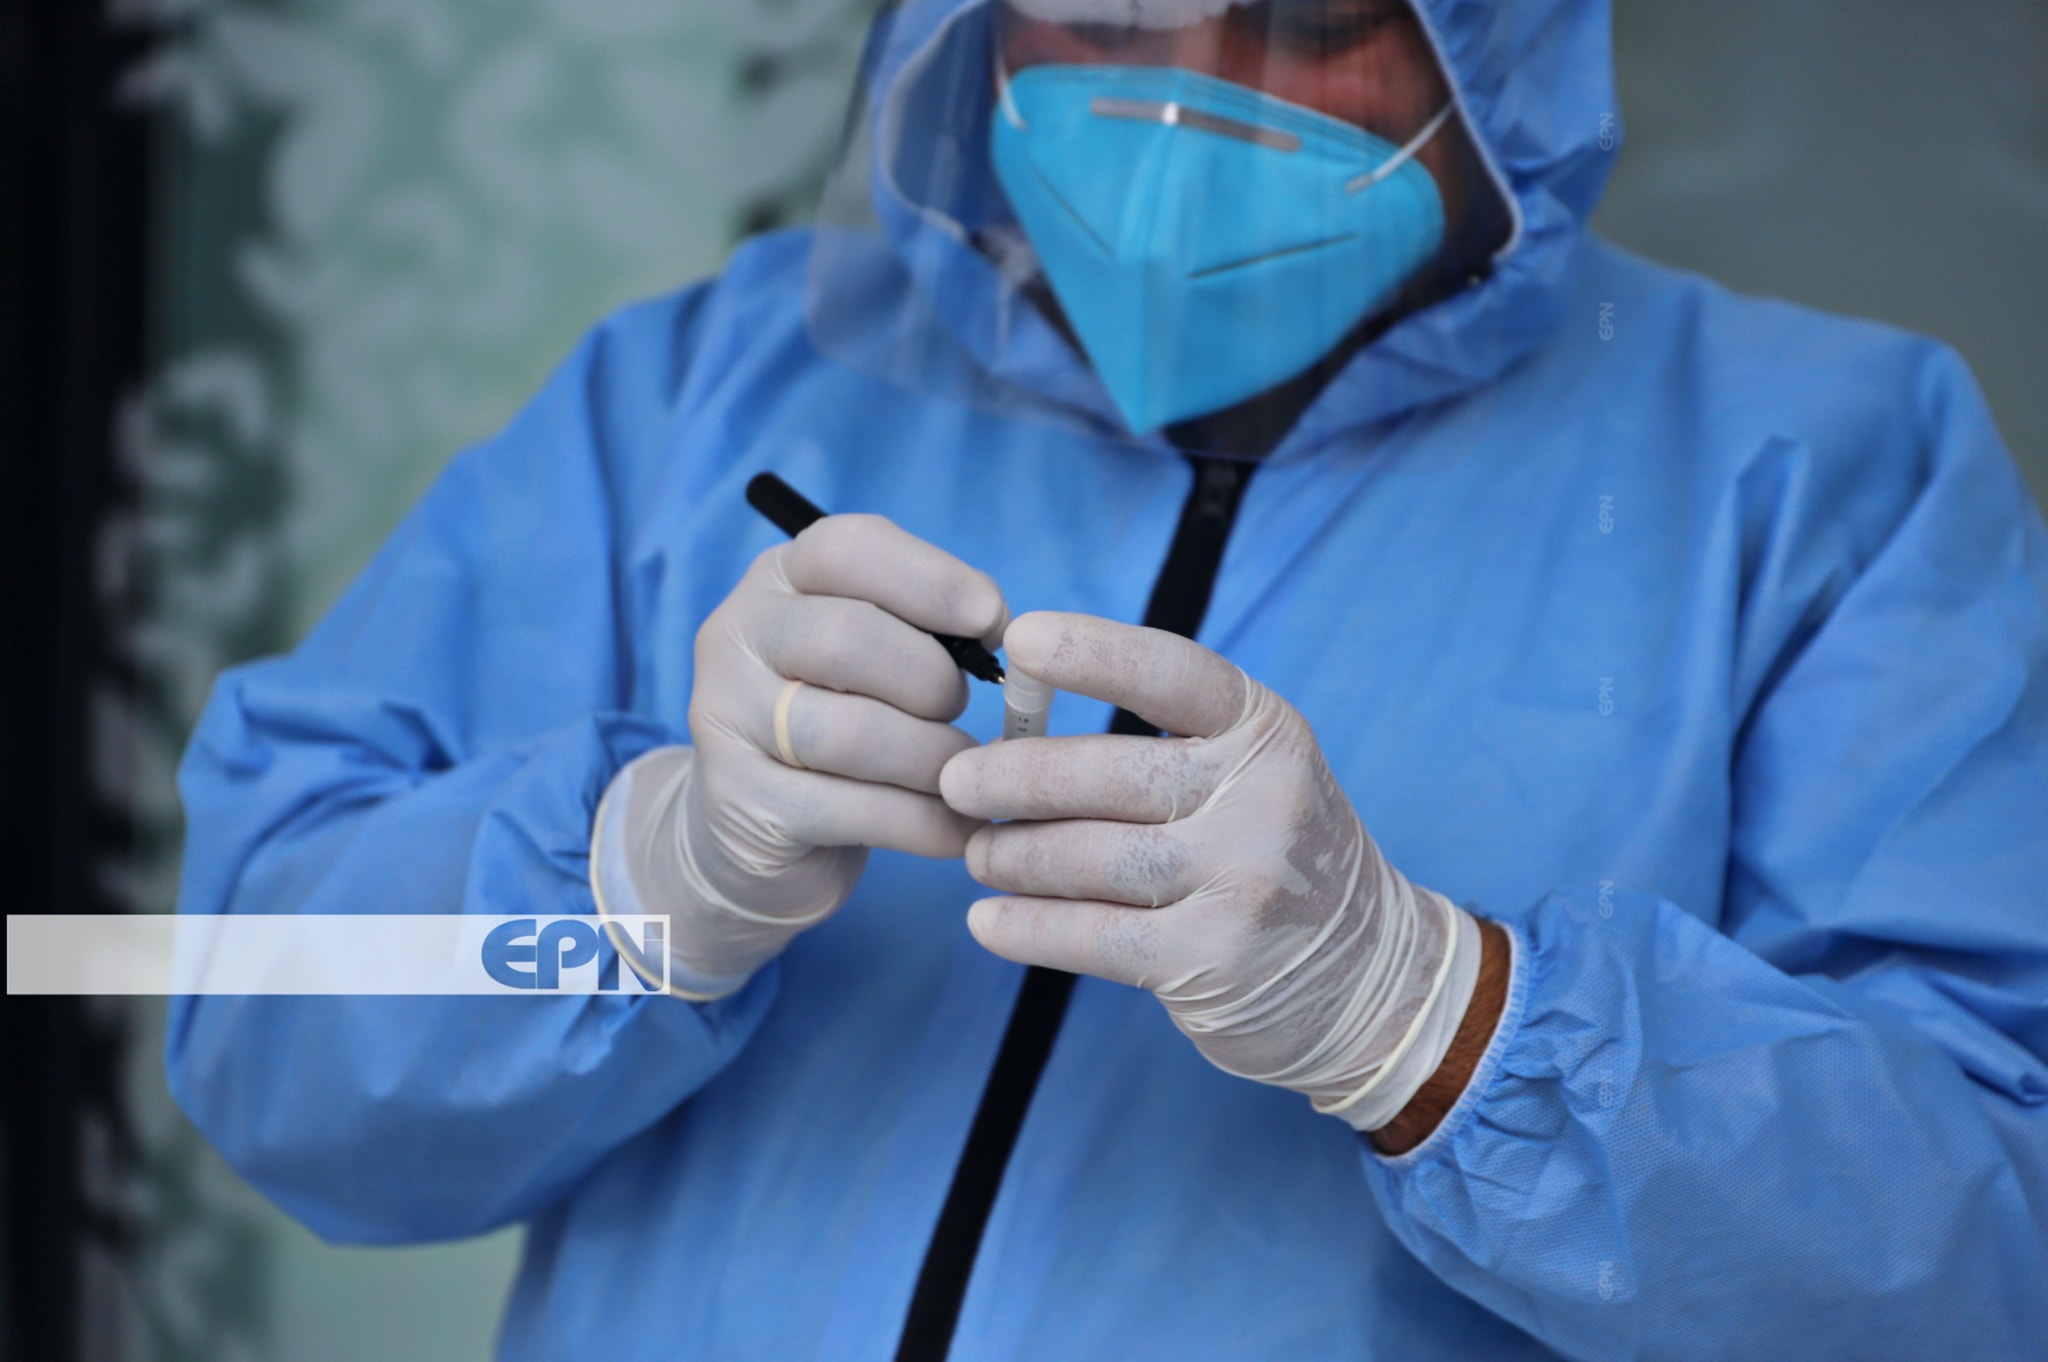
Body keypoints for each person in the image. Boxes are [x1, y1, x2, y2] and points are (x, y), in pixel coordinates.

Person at [168, 0, 2048, 1356]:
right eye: (1107, 7)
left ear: (1500, 42)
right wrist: (633, 882)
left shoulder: (1821, 476)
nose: (1190, 99)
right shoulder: (698, 392)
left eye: (1316, 18)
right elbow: (231, 1007)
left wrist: (1437, 1019)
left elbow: (1994, 1254)